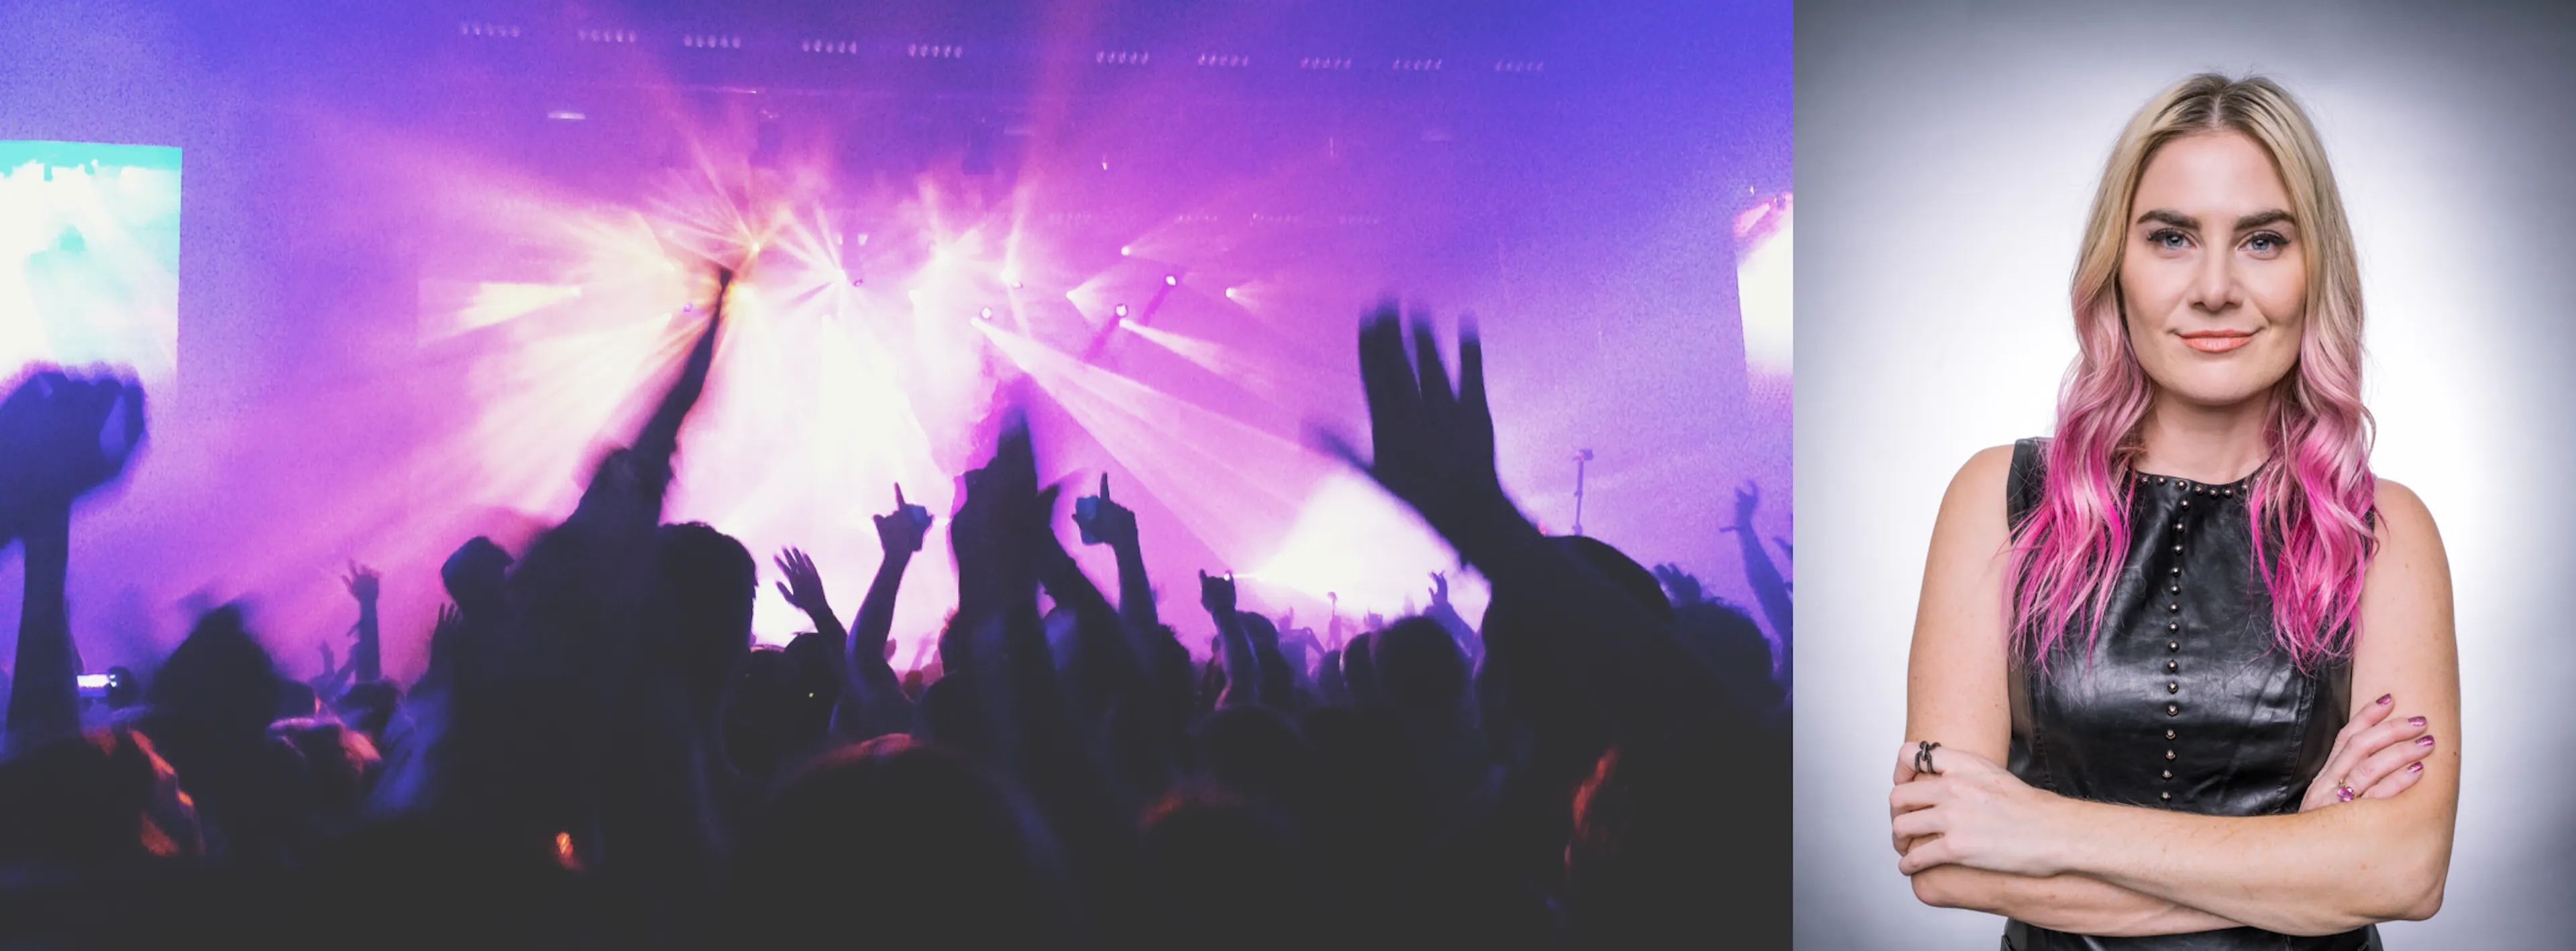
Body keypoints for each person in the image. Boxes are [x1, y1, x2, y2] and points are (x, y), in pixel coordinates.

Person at [1892, 74, 2457, 948]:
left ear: (2316, 269)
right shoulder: (1997, 500)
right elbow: (1946, 859)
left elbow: (2405, 871)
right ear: (2116, 264)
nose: (2216, 288)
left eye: (2264, 240)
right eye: (2171, 238)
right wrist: (2309, 856)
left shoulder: (2385, 529)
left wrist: (2040, 827)